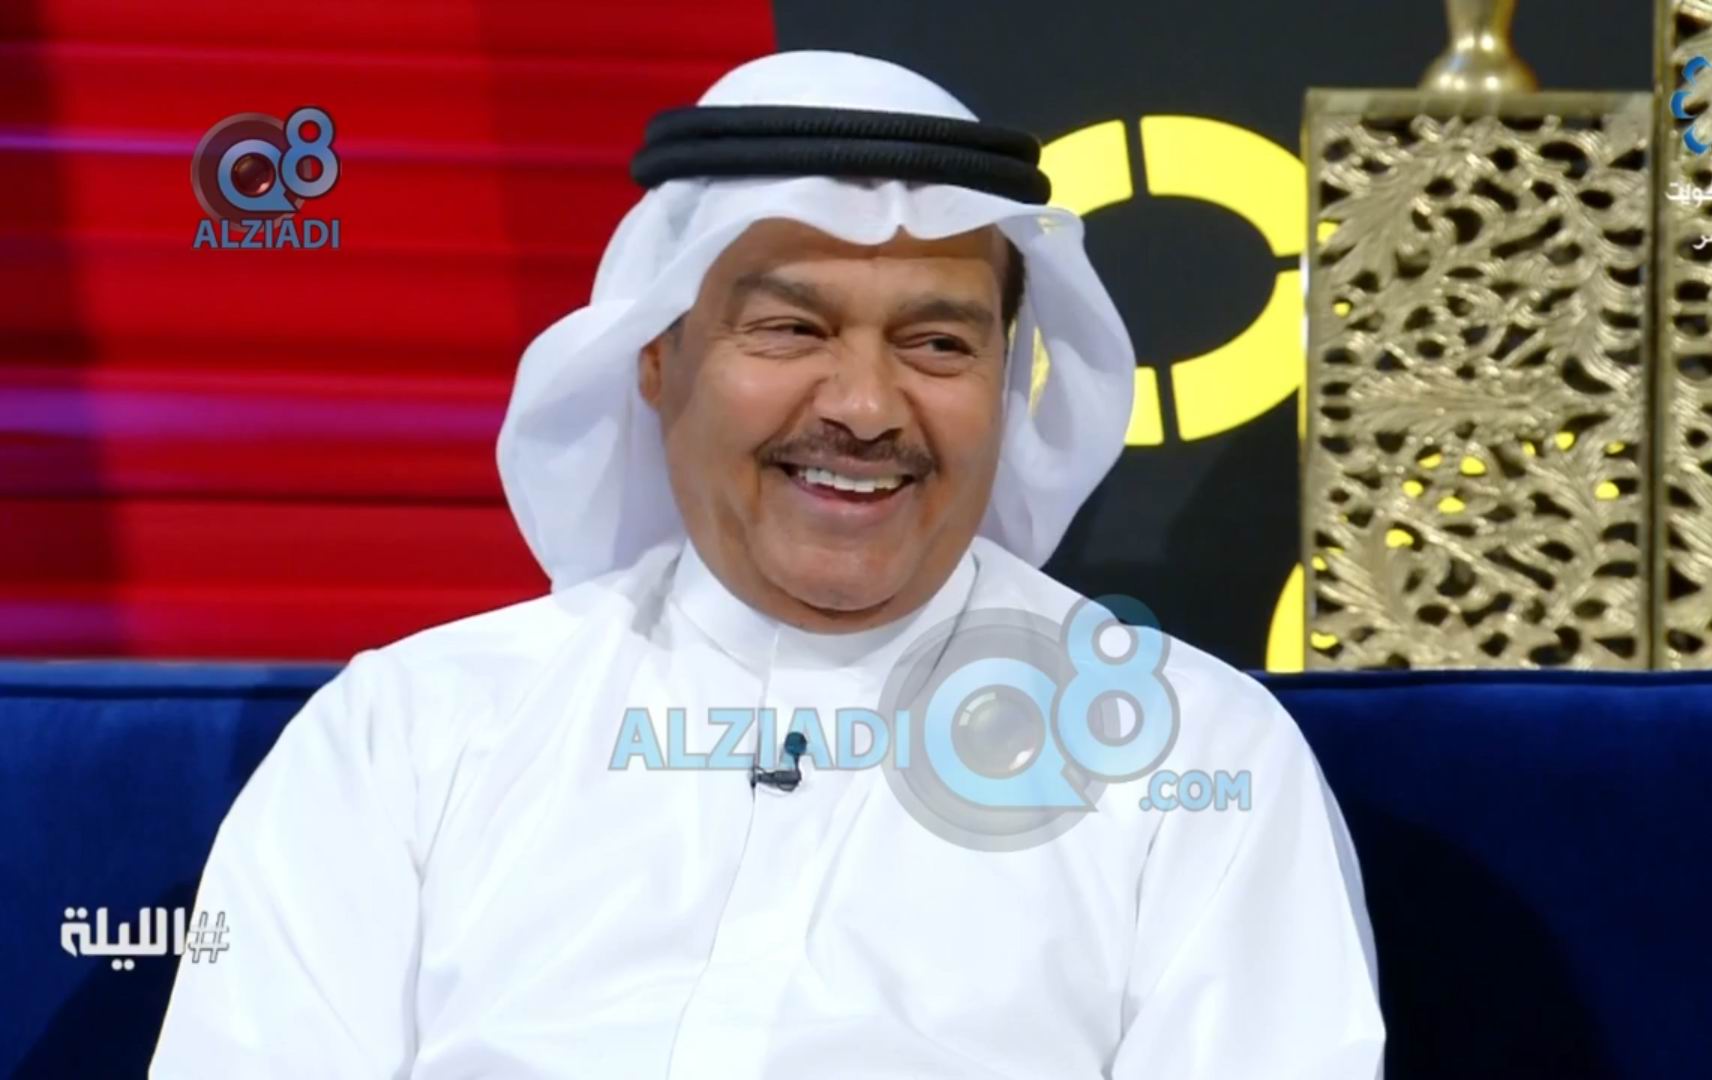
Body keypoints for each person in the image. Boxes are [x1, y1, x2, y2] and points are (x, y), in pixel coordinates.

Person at [151, 50, 1384, 1079]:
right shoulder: (407, 733)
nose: (865, 407)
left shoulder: (1192, 758)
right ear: (655, 357)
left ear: (1004, 388)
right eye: (790, 328)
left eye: (938, 344)